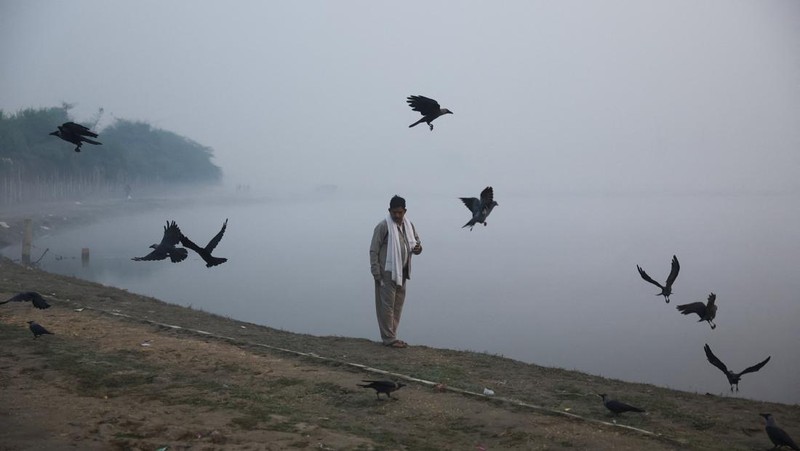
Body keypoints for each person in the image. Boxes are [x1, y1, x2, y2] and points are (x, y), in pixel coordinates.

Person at [369, 195, 422, 348]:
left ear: (405, 211)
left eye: (400, 212)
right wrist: (376, 272)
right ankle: (389, 339)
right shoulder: (383, 226)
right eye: (394, 212)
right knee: (386, 306)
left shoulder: (409, 226)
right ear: (389, 211)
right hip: (386, 273)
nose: (397, 215)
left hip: (402, 272)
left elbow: (417, 244)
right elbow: (373, 250)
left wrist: (418, 248)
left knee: (397, 306)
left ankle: (392, 335)